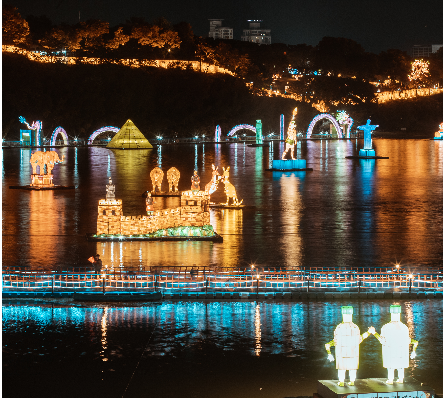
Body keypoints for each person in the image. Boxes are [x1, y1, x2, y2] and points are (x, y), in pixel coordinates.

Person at [369, 305, 418, 384]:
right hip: (401, 353)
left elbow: (383, 340)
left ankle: (390, 379)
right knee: (401, 367)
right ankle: (401, 379)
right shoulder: (404, 328)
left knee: (390, 367)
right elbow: (411, 341)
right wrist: (414, 351)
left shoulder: (386, 327)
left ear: (391, 313)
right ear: (399, 313)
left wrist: (374, 333)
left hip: (390, 353)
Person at [325, 306, 370, 386]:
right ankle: (352, 381)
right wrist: (368, 333)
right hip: (353, 353)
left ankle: (341, 381)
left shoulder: (339, 327)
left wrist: (329, 345)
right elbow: (359, 339)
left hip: (341, 353)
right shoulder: (355, 327)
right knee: (352, 368)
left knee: (341, 368)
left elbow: (336, 341)